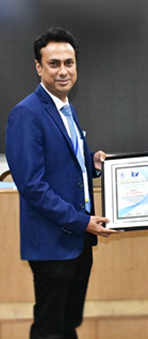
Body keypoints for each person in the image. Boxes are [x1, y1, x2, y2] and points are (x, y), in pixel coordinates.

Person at [5, 27, 117, 339]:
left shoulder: (67, 109)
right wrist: (82, 222)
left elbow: (63, 161)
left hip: (77, 241)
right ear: (39, 67)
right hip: (53, 244)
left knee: (68, 325)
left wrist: (91, 161)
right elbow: (32, 185)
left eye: (69, 62)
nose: (63, 70)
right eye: (54, 63)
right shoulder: (26, 114)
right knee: (49, 329)